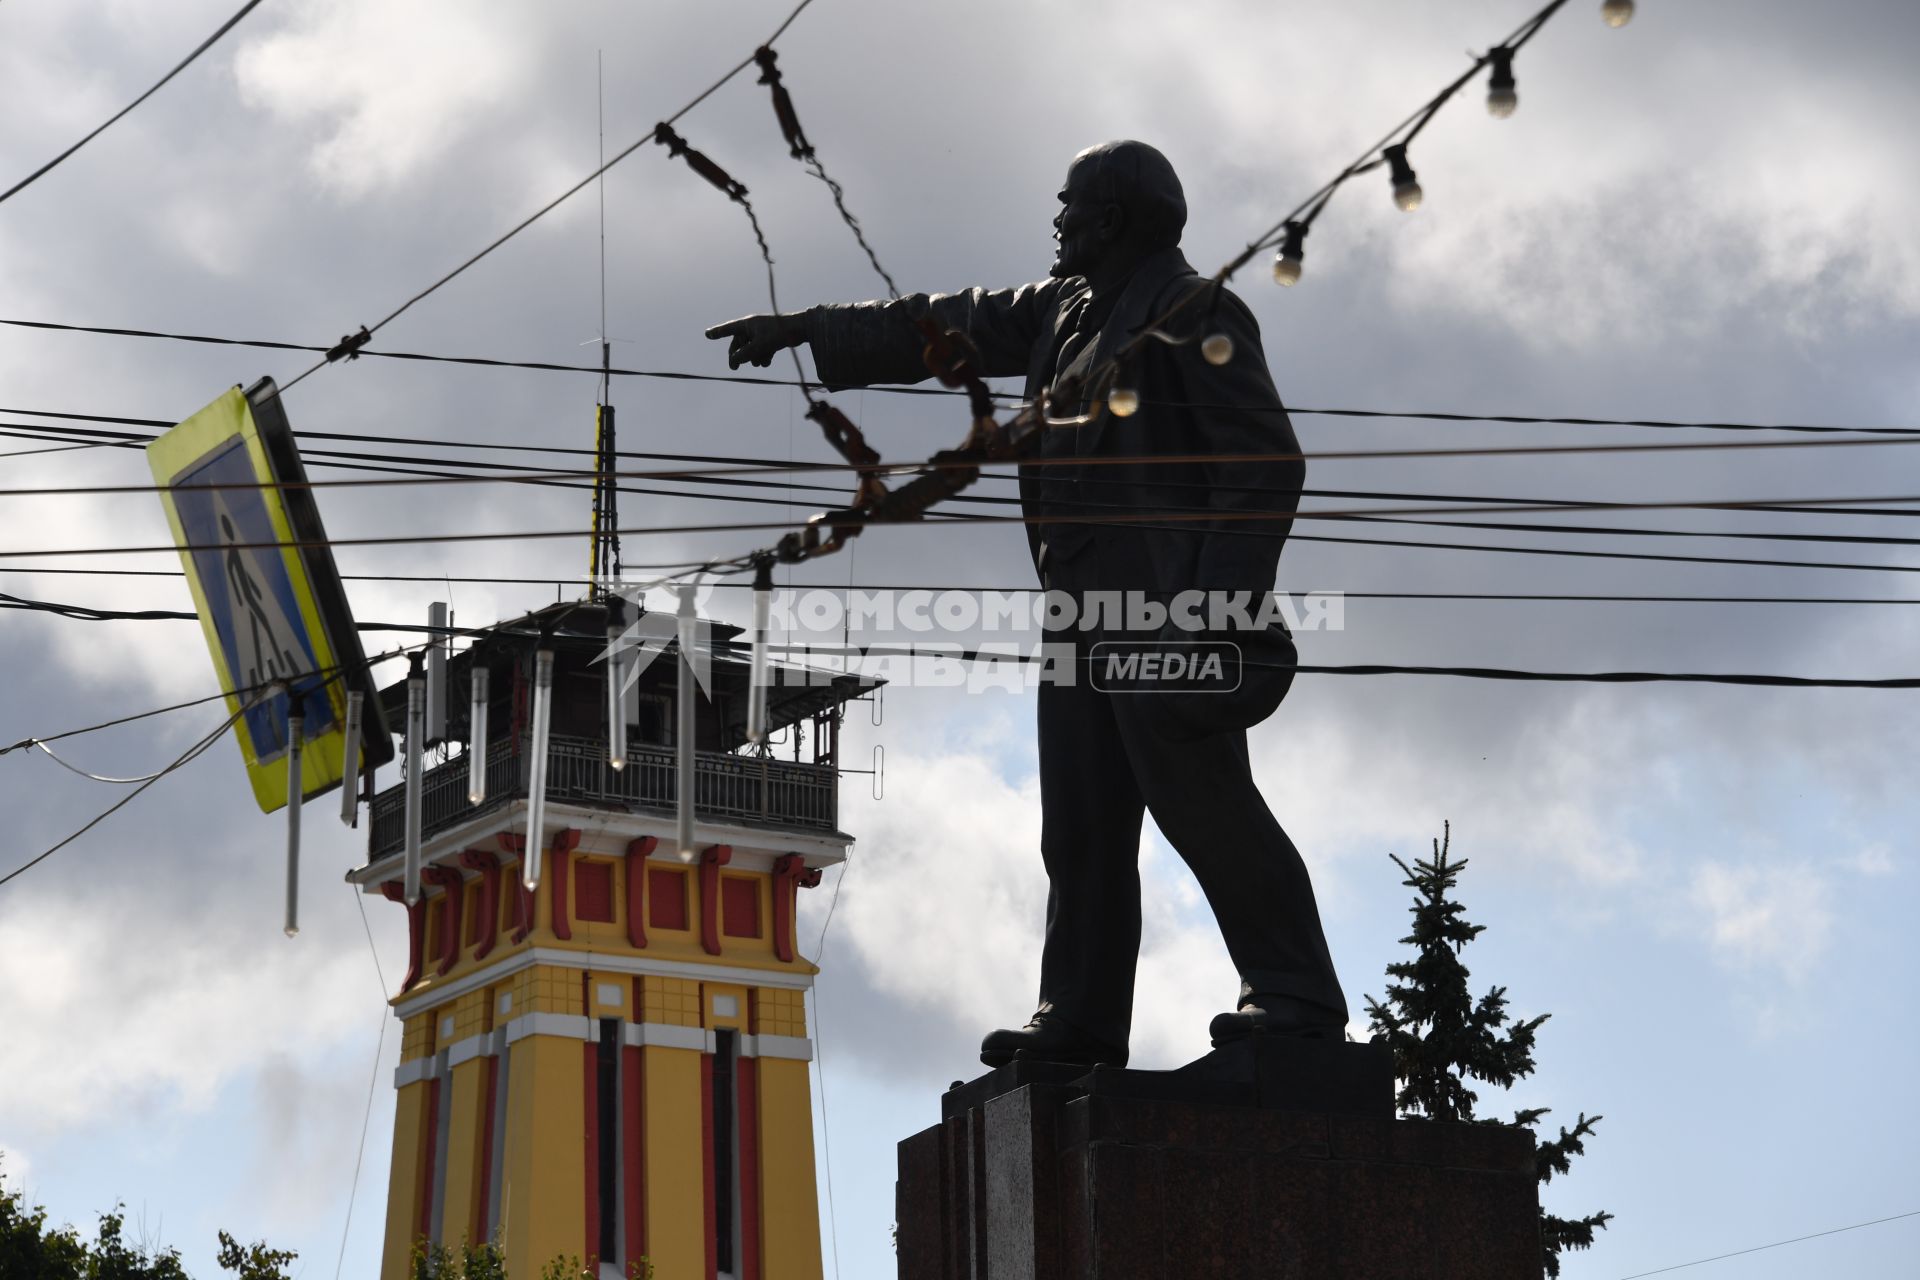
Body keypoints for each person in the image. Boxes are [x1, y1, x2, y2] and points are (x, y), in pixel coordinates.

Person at [707, 140, 1346, 1068]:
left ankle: (1295, 997)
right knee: (1080, 825)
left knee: (1202, 804)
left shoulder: (1192, 311)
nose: (1056, 223)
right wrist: (809, 326)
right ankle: (1081, 1018)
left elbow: (1264, 462)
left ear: (1113, 220)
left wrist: (1215, 608)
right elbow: (945, 321)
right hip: (1078, 613)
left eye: (1069, 207)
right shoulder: (1066, 310)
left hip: (1166, 612)